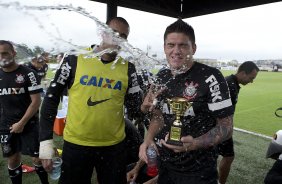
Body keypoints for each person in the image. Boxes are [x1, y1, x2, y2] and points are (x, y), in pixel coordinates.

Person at [39, 17, 143, 184]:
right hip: (76, 145)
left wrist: (145, 105)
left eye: (123, 37)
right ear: (102, 32)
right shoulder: (75, 58)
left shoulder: (128, 68)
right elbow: (51, 98)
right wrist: (45, 143)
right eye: (113, 34)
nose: (118, 40)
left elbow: (135, 109)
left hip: (113, 147)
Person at [138, 19, 234, 184]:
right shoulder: (162, 76)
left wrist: (195, 143)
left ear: (193, 48)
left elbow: (226, 127)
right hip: (165, 165)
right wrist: (148, 139)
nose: (176, 51)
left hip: (198, 171)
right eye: (171, 45)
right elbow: (158, 116)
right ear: (164, 48)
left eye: (183, 45)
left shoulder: (211, 77)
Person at [0, 40, 49, 184]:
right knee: (13, 158)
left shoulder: (29, 74)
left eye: (5, 53)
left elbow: (36, 102)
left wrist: (21, 123)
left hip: (29, 123)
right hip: (6, 125)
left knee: (37, 158)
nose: (2, 57)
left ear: (13, 53)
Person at [217, 61, 259, 184]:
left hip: (220, 127)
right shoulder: (229, 85)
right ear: (242, 73)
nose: (251, 81)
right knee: (228, 156)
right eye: (251, 78)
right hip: (219, 128)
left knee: (221, 155)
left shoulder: (232, 83)